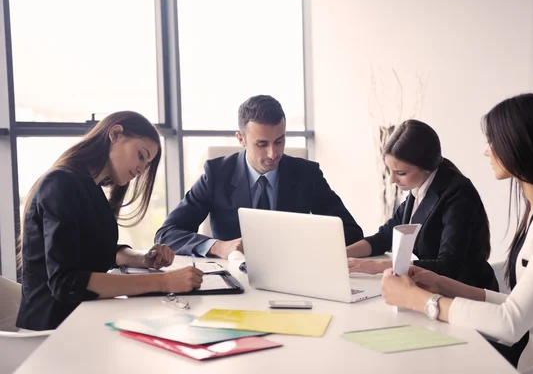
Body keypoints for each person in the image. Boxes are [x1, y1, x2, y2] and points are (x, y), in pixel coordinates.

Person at [381, 93, 533, 370]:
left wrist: (420, 300)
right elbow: (521, 307)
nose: (487, 150)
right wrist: (442, 284)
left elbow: (510, 322)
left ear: (518, 145)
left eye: (492, 141)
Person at [16, 111, 204, 331]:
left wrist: (143, 259)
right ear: (115, 134)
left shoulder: (90, 188)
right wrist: (164, 282)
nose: (142, 169)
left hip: (80, 319)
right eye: (141, 156)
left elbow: (90, 251)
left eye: (148, 164)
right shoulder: (60, 183)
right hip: (51, 331)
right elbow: (67, 284)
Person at [155, 95, 363, 258]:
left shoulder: (306, 175)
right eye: (262, 144)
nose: (273, 154)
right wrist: (219, 247)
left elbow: (351, 232)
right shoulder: (216, 174)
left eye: (280, 141)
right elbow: (167, 234)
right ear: (241, 139)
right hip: (236, 279)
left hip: (293, 275)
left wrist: (304, 243)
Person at [346, 119, 498, 291]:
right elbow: (385, 236)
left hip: (468, 294)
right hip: (434, 291)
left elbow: (448, 266)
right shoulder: (418, 188)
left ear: (427, 167)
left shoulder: (458, 194)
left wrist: (377, 266)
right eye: (390, 171)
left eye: (401, 173)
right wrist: (342, 255)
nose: (392, 180)